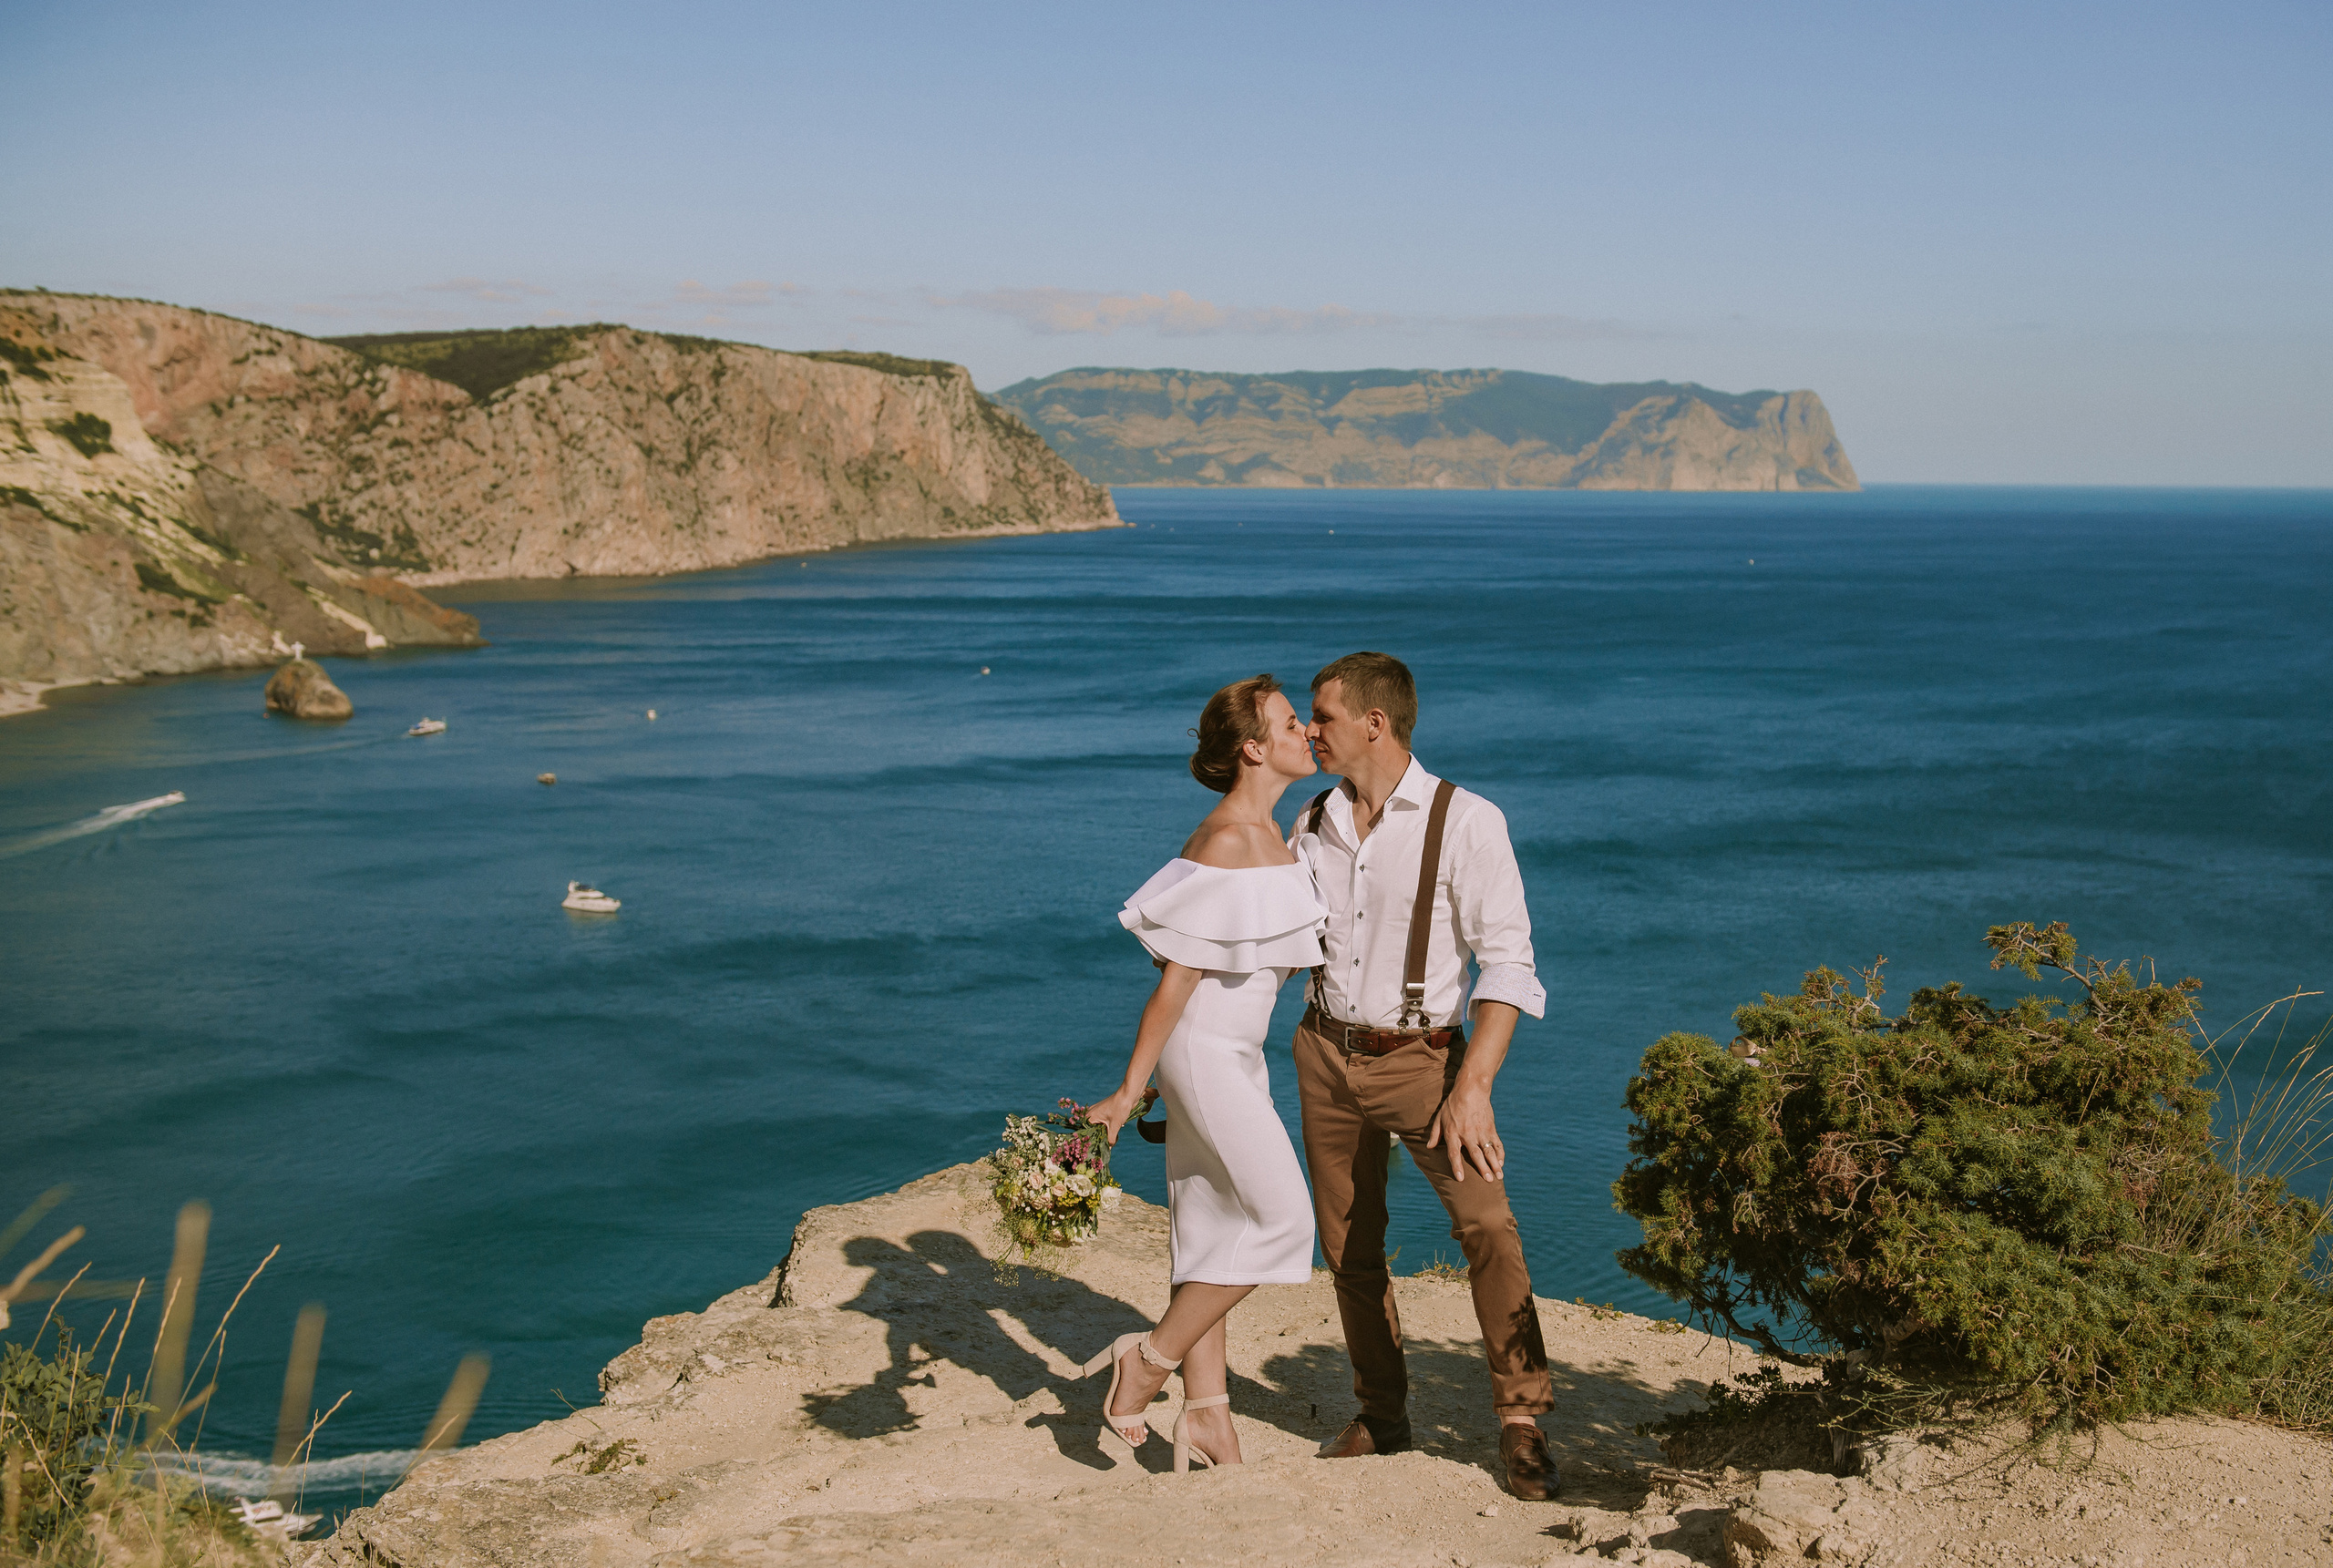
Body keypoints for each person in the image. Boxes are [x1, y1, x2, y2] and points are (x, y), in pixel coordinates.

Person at [1293, 651, 1559, 1500]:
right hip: (1324, 1052)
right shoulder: (1313, 819)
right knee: (1348, 1247)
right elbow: (1270, 942)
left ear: (1376, 722)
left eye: (1323, 716)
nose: (1309, 730)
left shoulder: (1469, 819)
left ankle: (1521, 1421)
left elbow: (1509, 964)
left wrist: (1474, 1083)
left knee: (1488, 1224)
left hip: (1427, 1063)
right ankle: (1384, 1415)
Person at [1082, 673, 1326, 1471]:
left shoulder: (1274, 835)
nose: (1308, 733)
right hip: (1206, 1054)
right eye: (1293, 723)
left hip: (1232, 1054)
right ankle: (1144, 1364)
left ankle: (1209, 1413)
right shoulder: (1227, 839)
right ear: (1255, 747)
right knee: (1286, 1220)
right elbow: (1176, 982)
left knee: (1216, 1226)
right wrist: (1130, 1089)